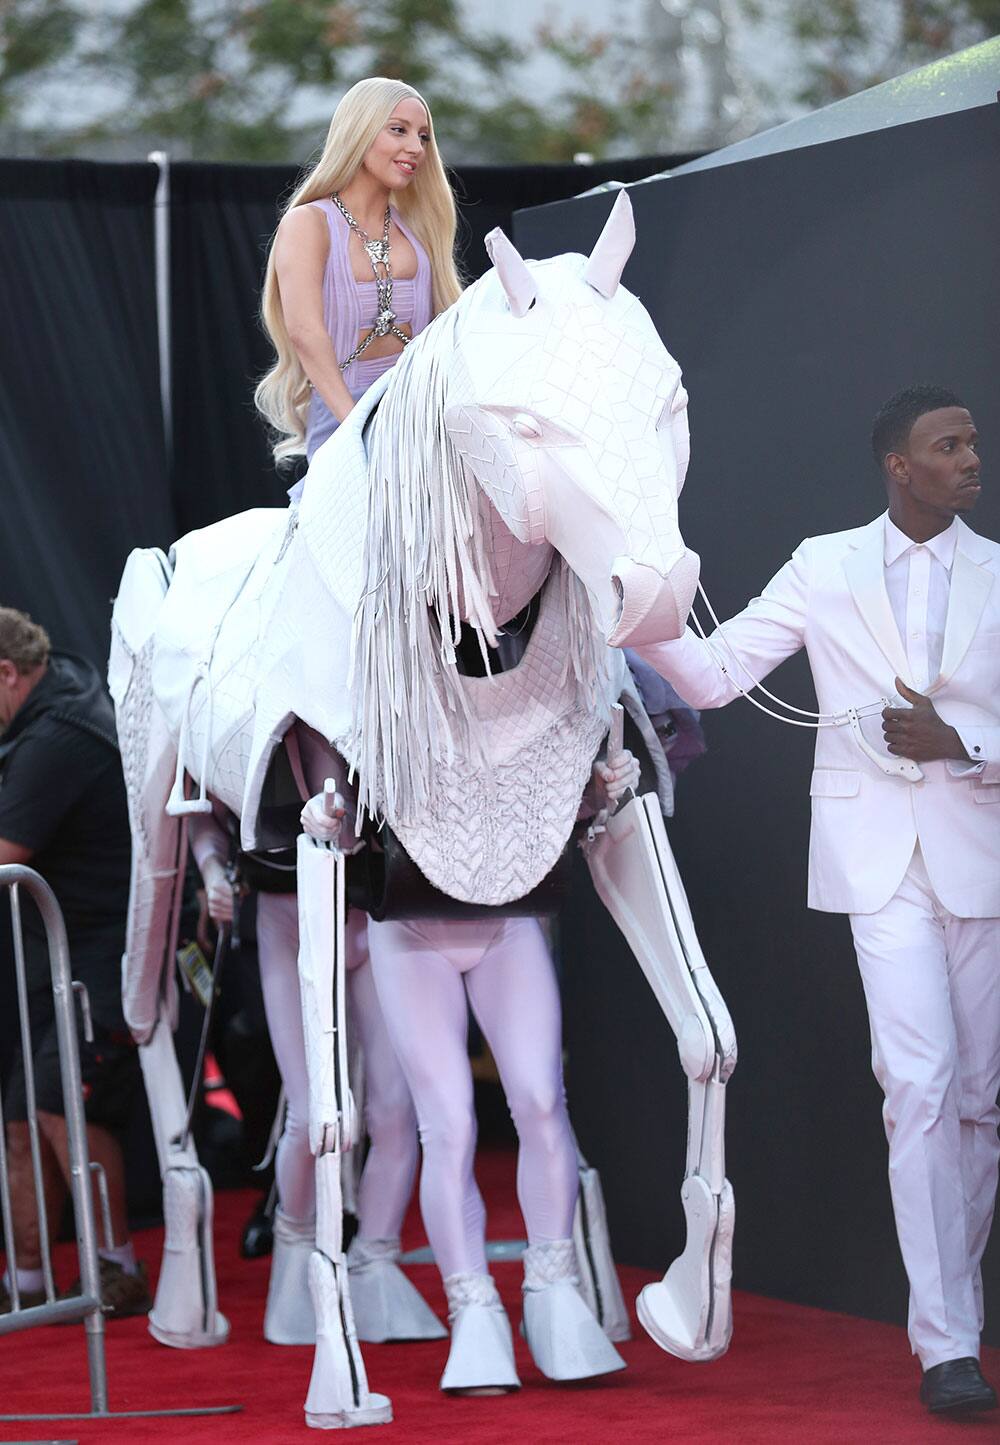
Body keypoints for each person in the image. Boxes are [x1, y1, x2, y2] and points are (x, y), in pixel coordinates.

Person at [258, 75, 631, 1392]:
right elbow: (313, 342)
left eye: (424, 131)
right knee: (325, 602)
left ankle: (601, 731)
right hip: (344, 446)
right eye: (399, 128)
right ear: (361, 136)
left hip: (427, 450)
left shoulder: (428, 249)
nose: (414, 148)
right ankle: (296, 761)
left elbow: (469, 357)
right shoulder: (313, 223)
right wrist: (351, 430)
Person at [634, 385, 1000, 1418]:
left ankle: (950, 1307)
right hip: (874, 857)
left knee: (976, 1101)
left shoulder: (996, 572)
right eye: (949, 443)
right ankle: (947, 1343)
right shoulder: (823, 563)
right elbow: (711, 675)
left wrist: (963, 745)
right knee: (917, 1082)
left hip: (981, 857)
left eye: (971, 442)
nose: (970, 457)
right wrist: (642, 605)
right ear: (899, 463)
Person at [0, 607, 151, 1318]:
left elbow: (5, 855)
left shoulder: (55, 736)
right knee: (26, 1113)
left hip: (100, 949)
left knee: (65, 1107)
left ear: (6, 673)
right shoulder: (56, 696)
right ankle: (28, 1282)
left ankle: (115, 1268)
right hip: (63, 947)